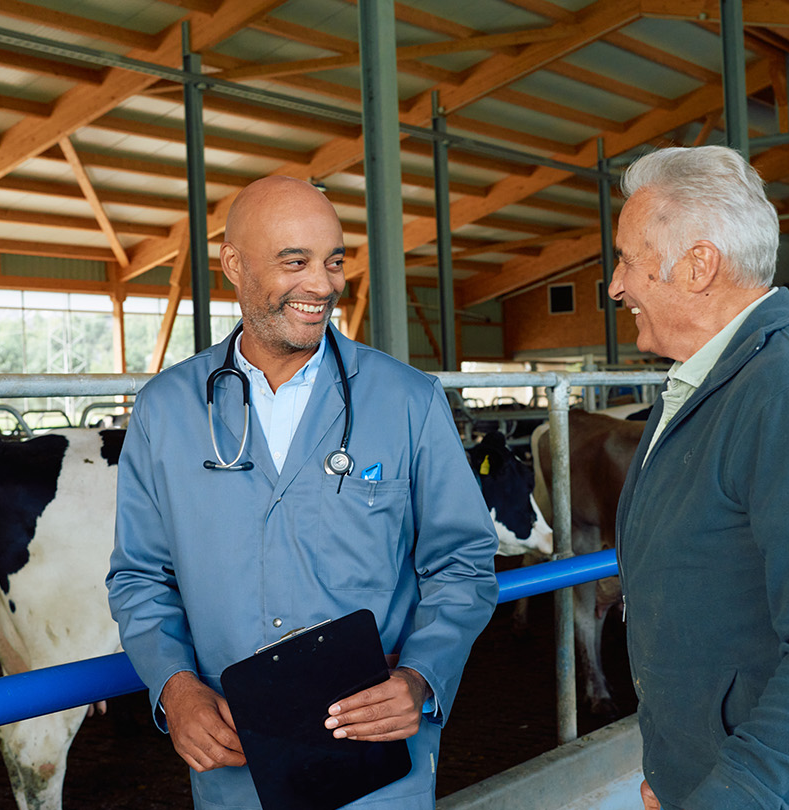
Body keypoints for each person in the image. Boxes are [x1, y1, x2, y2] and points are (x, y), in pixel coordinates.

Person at [107, 176, 499, 810]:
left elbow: (463, 563)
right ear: (233, 264)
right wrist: (174, 688)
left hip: (377, 767)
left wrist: (421, 676)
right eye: (296, 262)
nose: (322, 285)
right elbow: (139, 578)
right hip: (238, 763)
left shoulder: (408, 400)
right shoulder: (166, 411)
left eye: (334, 261)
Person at [608, 146, 789, 810]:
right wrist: (676, 765)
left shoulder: (788, 394)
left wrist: (734, 792)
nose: (615, 285)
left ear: (699, 264)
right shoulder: (708, 383)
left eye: (627, 259)